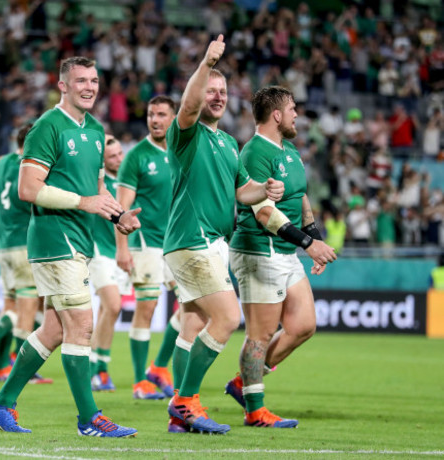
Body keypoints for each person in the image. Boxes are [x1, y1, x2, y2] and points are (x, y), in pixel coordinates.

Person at [0, 56, 141, 437]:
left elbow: (97, 189)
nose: (90, 87)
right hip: (54, 239)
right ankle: (90, 419)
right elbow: (28, 189)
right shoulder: (46, 128)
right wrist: (84, 203)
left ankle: (1, 403)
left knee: (52, 330)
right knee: (81, 326)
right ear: (63, 86)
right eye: (81, 80)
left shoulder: (97, 130)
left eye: (95, 80)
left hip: (80, 239)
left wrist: (117, 215)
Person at [163, 35, 284, 434]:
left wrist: (263, 190)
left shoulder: (230, 142)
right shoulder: (187, 133)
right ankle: (184, 402)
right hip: (191, 239)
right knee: (229, 317)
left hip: (213, 243)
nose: (217, 96)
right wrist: (206, 63)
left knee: (193, 323)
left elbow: (241, 192)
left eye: (223, 91)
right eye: (211, 90)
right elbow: (188, 105)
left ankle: (181, 413)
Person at [225, 85, 337, 427]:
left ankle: (243, 382)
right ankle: (255, 410)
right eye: (292, 109)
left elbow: (300, 196)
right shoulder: (254, 152)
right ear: (276, 115)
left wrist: (313, 236)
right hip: (258, 250)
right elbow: (263, 213)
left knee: (303, 326)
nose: (296, 115)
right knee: (259, 334)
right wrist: (309, 244)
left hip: (285, 250)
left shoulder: (288, 150)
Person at [0, 123, 52, 384]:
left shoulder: (4, 162)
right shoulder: (32, 165)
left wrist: (3, 167)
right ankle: (12, 364)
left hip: (2, 245)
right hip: (24, 244)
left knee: (9, 306)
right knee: (26, 309)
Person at [115, 95, 180, 400]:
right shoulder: (137, 156)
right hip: (146, 242)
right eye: (151, 114)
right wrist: (122, 248)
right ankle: (142, 380)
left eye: (162, 114)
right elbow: (122, 208)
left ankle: (159, 367)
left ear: (174, 117)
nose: (155, 120)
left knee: (193, 306)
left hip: (177, 242)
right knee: (147, 308)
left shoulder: (182, 151)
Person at [88, 134, 132, 392]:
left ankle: (96, 365)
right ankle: (99, 370)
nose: (118, 159)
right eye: (112, 156)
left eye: (119, 154)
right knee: (113, 306)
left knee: (108, 311)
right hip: (99, 249)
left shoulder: (127, 182)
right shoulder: (97, 183)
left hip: (120, 250)